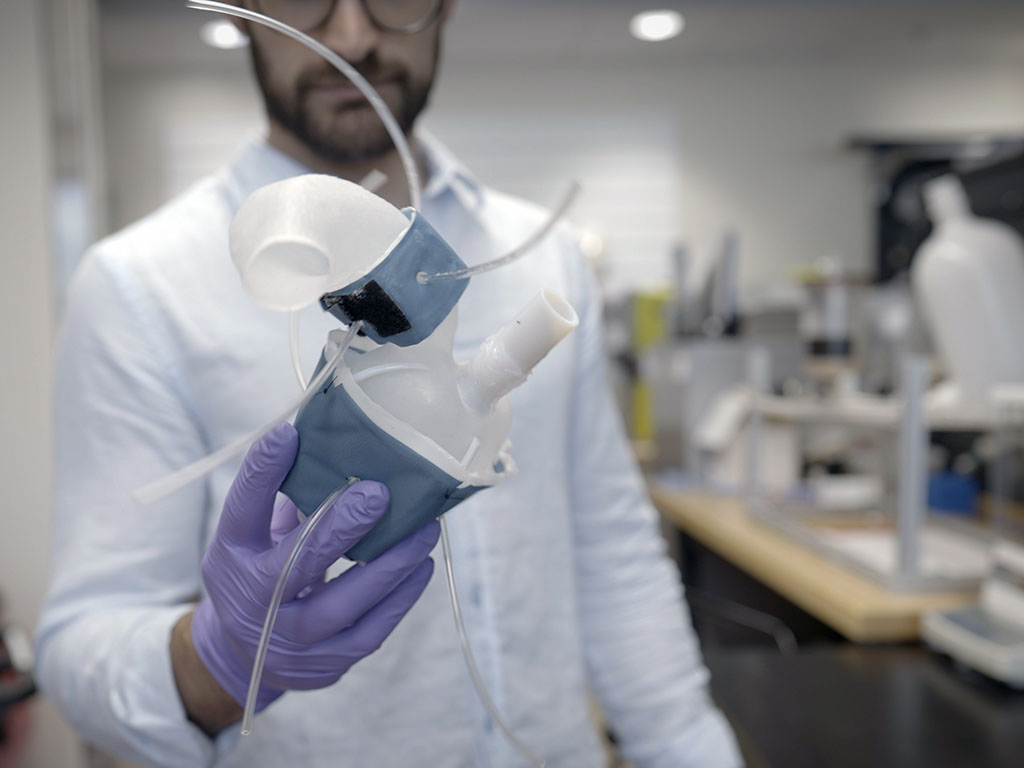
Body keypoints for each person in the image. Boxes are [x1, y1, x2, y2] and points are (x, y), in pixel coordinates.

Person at [36, 0, 743, 766]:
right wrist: (217, 660)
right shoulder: (142, 286)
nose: (353, 36)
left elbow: (612, 552)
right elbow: (80, 646)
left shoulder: (543, 255)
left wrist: (687, 747)